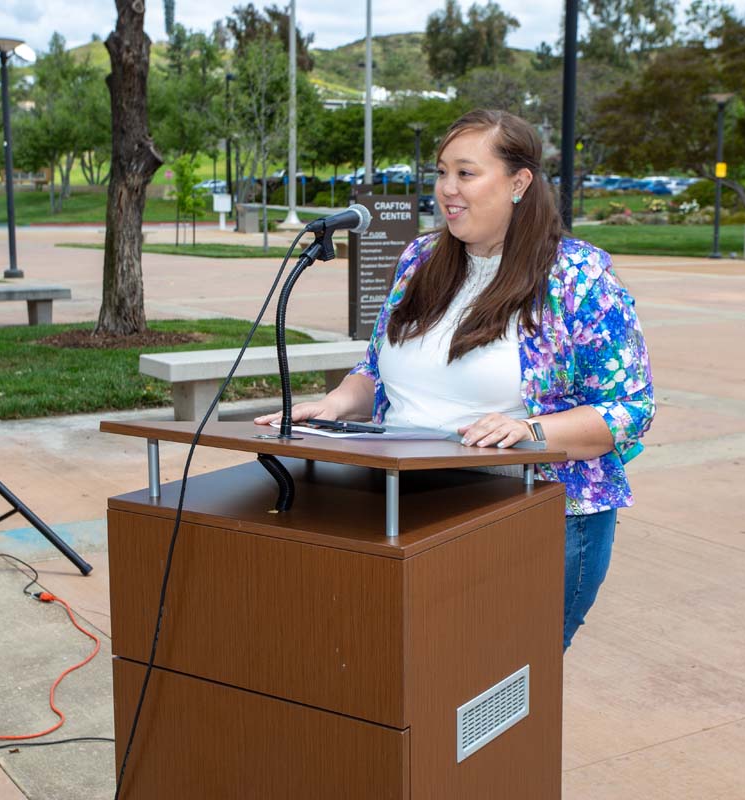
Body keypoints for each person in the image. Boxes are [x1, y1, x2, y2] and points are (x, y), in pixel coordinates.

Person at [257, 109, 654, 648]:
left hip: (527, 515)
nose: (447, 189)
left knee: (494, 685)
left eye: (466, 173)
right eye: (442, 172)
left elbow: (631, 408)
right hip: (404, 506)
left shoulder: (577, 276)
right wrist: (335, 404)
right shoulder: (420, 259)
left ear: (519, 183)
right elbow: (376, 369)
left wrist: (532, 432)